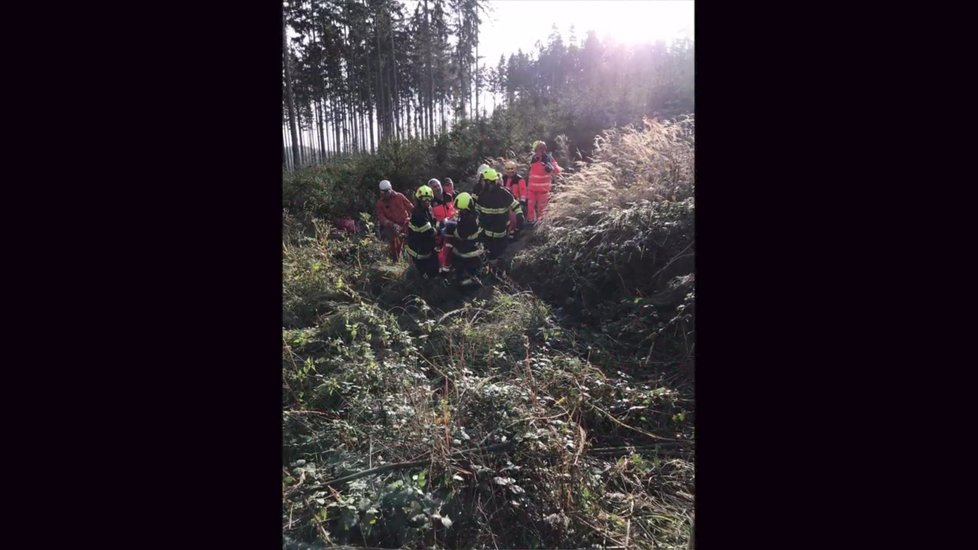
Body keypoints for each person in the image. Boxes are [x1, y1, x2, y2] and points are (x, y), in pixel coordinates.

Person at [475, 168, 524, 259]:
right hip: (486, 237)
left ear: (489, 182)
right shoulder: (482, 195)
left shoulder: (503, 193)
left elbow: (515, 205)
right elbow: (477, 210)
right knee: (488, 259)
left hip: (501, 236)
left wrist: (519, 215)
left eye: (483, 181)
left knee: (499, 259)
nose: (482, 183)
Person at [448, 192, 484, 287]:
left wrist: (450, 227)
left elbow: (461, 234)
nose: (459, 212)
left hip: (470, 251)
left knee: (469, 275)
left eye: (461, 210)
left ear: (467, 208)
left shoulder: (470, 219)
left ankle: (471, 285)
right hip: (469, 249)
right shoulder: (472, 214)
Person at [405, 185, 440, 279]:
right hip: (418, 250)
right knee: (425, 274)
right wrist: (442, 228)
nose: (427, 202)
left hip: (425, 246)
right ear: (419, 200)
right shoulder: (418, 214)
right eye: (424, 199)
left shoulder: (427, 210)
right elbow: (430, 232)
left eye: (429, 199)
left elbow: (433, 221)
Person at [375, 179, 413, 262]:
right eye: (383, 192)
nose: (385, 194)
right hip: (392, 227)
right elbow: (381, 217)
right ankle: (396, 262)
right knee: (395, 246)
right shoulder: (380, 203)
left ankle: (411, 262)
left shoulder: (399, 196)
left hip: (405, 223)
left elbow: (410, 207)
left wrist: (413, 219)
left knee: (411, 244)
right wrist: (391, 224)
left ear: (390, 189)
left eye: (386, 191)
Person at [526, 140, 561, 224]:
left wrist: (551, 167)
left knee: (542, 209)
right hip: (532, 189)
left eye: (543, 148)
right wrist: (535, 159)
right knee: (530, 206)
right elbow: (528, 167)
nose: (541, 150)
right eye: (539, 148)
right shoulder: (532, 158)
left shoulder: (549, 158)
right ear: (535, 149)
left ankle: (540, 224)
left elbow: (557, 170)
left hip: (543, 190)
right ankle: (530, 222)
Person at [428, 179, 456, 273]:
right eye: (434, 187)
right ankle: (442, 271)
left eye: (438, 185)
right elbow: (431, 219)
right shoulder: (430, 203)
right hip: (440, 231)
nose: (437, 188)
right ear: (431, 189)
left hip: (453, 226)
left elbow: (454, 211)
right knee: (442, 253)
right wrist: (441, 224)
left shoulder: (449, 196)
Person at [501, 160, 527, 238]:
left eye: (511, 171)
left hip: (515, 203)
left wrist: (522, 203)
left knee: (514, 219)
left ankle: (515, 232)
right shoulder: (503, 178)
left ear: (514, 170)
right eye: (508, 171)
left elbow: (523, 192)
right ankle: (508, 233)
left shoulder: (519, 179)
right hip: (505, 203)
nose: (509, 173)